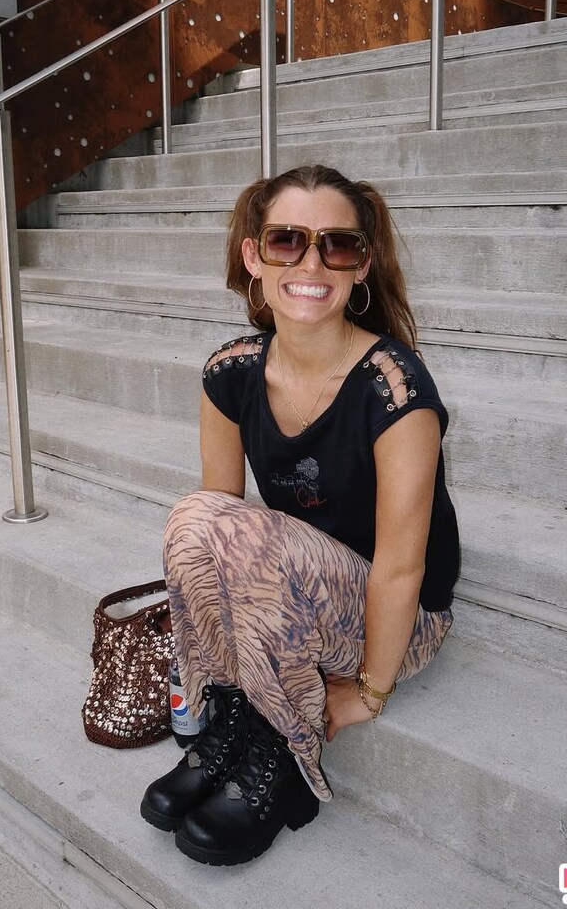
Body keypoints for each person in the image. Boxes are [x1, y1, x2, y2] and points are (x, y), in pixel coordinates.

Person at [140, 164, 460, 866]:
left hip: (396, 618)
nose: (311, 264)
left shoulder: (395, 391)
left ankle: (286, 752)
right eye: (287, 240)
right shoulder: (230, 372)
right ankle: (236, 710)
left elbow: (401, 569)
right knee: (199, 519)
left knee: (240, 537)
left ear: (360, 266)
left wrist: (369, 692)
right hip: (297, 594)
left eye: (336, 245)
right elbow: (217, 528)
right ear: (254, 257)